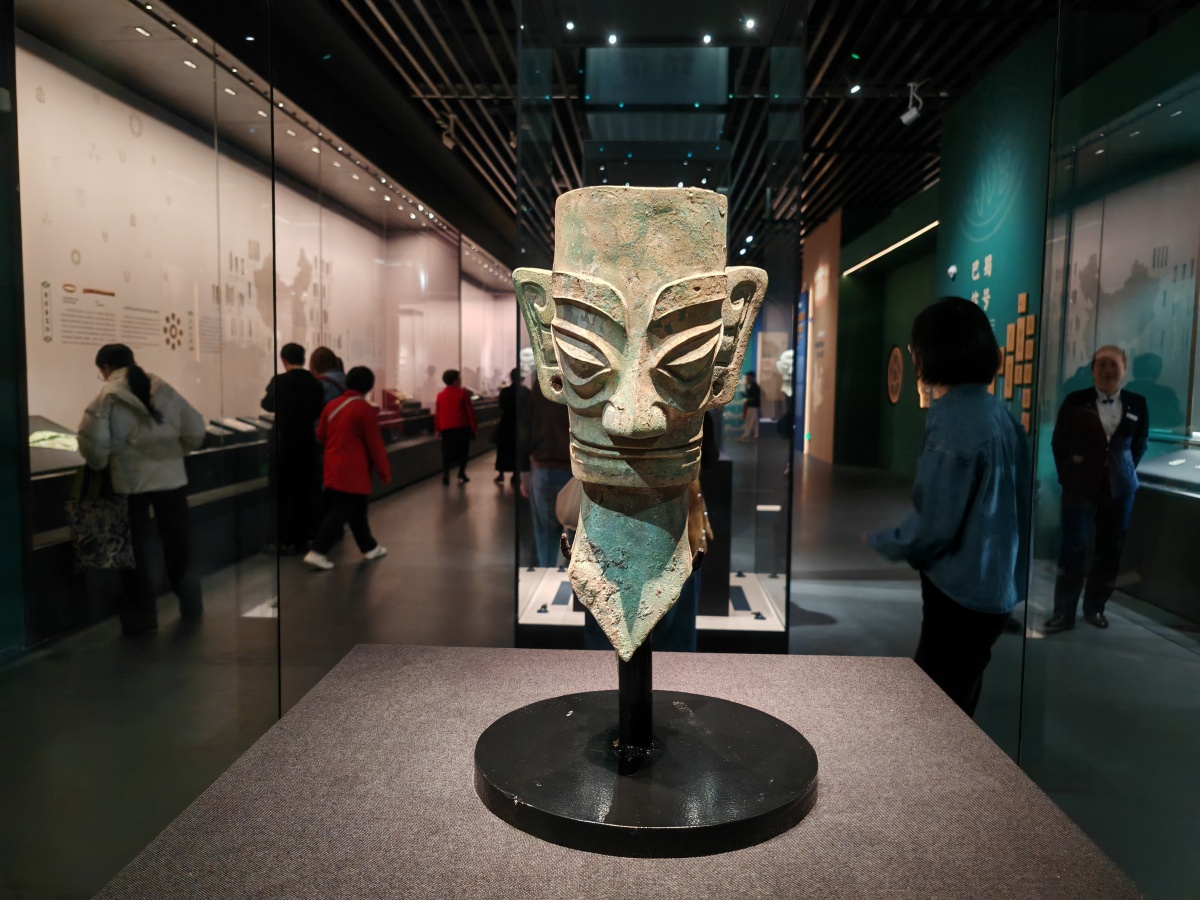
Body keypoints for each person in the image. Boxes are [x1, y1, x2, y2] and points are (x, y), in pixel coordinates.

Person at [868, 298, 1030, 717]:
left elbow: (936, 523)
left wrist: (894, 543)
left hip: (959, 589)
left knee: (936, 707)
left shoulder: (952, 421)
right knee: (962, 694)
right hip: (996, 587)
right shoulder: (998, 413)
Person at [77, 344, 207, 635]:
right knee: (179, 545)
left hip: (129, 483)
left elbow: (94, 444)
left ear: (106, 368)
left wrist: (101, 464)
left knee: (133, 553)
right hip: (172, 481)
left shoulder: (107, 398)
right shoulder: (163, 388)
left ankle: (141, 620)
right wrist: (175, 454)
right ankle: (191, 605)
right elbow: (196, 429)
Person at [1045, 345, 1149, 632]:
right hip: (1079, 488)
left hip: (1120, 490)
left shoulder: (1137, 403)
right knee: (1073, 548)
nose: (1107, 370)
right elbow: (1060, 442)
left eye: (1113, 364)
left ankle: (1095, 608)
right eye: (1101, 364)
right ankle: (1063, 613)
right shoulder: (1075, 401)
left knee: (1109, 551)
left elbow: (1139, 443)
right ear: (1092, 369)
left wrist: (1122, 471)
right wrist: (1068, 476)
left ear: (1124, 369)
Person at [304, 366, 391, 570]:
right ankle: (318, 551)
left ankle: (370, 547)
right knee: (341, 511)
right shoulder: (364, 409)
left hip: (332, 466)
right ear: (369, 386)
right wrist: (384, 471)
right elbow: (375, 445)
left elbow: (321, 435)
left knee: (357, 509)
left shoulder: (332, 405)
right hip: (353, 471)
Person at [261, 343, 326, 554]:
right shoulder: (314, 383)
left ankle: (281, 540)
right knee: (302, 494)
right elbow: (318, 409)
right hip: (306, 444)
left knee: (281, 495)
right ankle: (301, 539)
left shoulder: (279, 381)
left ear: (283, 360)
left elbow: (266, 404)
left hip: (283, 444)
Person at [521, 377, 571, 567]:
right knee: (578, 533)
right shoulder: (578, 380)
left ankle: (548, 575)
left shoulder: (541, 384)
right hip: (573, 469)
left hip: (543, 466)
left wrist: (525, 473)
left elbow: (527, 426)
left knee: (546, 533)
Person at [434, 369, 477, 485]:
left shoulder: (440, 395)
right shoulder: (462, 393)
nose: (460, 380)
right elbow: (469, 412)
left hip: (446, 428)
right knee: (463, 452)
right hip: (461, 427)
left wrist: (437, 429)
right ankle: (461, 472)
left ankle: (446, 474)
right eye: (459, 378)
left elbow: (438, 414)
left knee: (447, 452)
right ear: (455, 380)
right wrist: (474, 427)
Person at [493, 367, 529, 485]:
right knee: (516, 449)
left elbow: (501, 406)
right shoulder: (525, 391)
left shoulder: (505, 391)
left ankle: (501, 473)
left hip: (506, 422)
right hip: (519, 423)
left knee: (504, 449)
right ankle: (515, 474)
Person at [738, 371, 760, 440]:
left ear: (751, 377)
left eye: (748, 377)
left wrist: (746, 397)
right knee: (754, 421)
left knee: (749, 420)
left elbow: (754, 396)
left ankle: (746, 435)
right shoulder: (749, 385)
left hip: (753, 405)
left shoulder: (754, 386)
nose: (747, 378)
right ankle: (756, 435)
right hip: (751, 405)